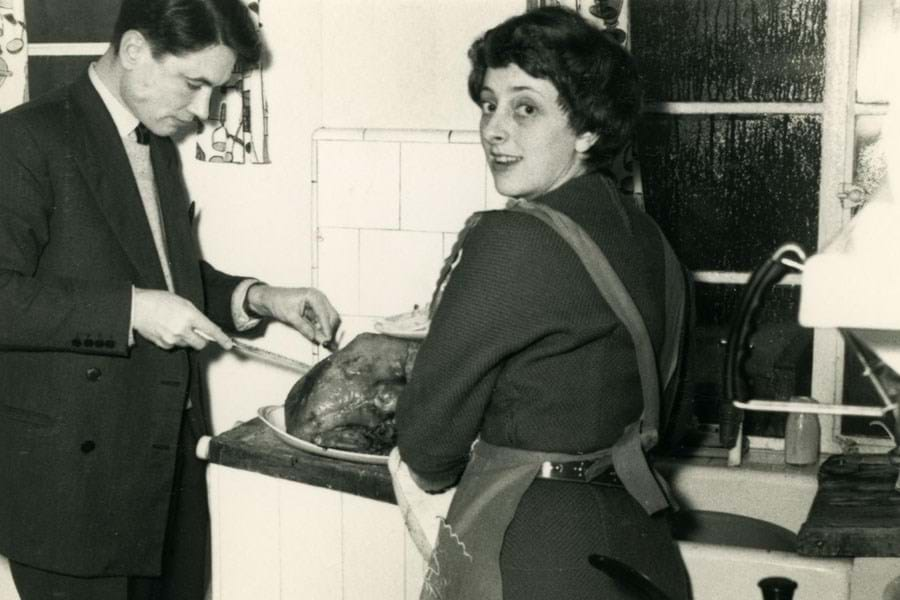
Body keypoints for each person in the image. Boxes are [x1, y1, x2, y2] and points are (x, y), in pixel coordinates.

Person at [0, 1, 339, 598]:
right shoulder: (26, 138)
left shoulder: (153, 142)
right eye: (195, 83)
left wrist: (259, 298)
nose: (204, 111)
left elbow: (165, 277)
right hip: (71, 495)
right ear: (134, 52)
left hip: (165, 475)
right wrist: (132, 311)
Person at [395, 7, 690, 600]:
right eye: (488, 103)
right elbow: (668, 414)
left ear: (587, 129)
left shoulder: (514, 238)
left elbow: (427, 446)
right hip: (640, 548)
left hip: (530, 554)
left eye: (525, 107)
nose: (494, 129)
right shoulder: (653, 242)